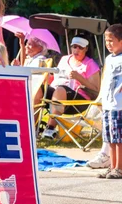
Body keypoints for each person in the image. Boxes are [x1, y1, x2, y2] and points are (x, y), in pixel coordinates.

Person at [42, 36, 101, 140]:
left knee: (61, 90)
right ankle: (31, 127)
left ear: (86, 49)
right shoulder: (64, 59)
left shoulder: (90, 64)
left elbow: (96, 91)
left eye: (80, 48)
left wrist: (80, 78)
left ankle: (50, 128)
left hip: (79, 101)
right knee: (40, 89)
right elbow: (56, 78)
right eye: (74, 47)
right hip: (58, 93)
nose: (76, 50)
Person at [96, 24, 122, 179]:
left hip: (119, 105)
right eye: (106, 41)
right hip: (108, 103)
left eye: (112, 40)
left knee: (119, 138)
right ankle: (112, 166)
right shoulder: (108, 58)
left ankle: (119, 167)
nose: (108, 44)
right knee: (110, 137)